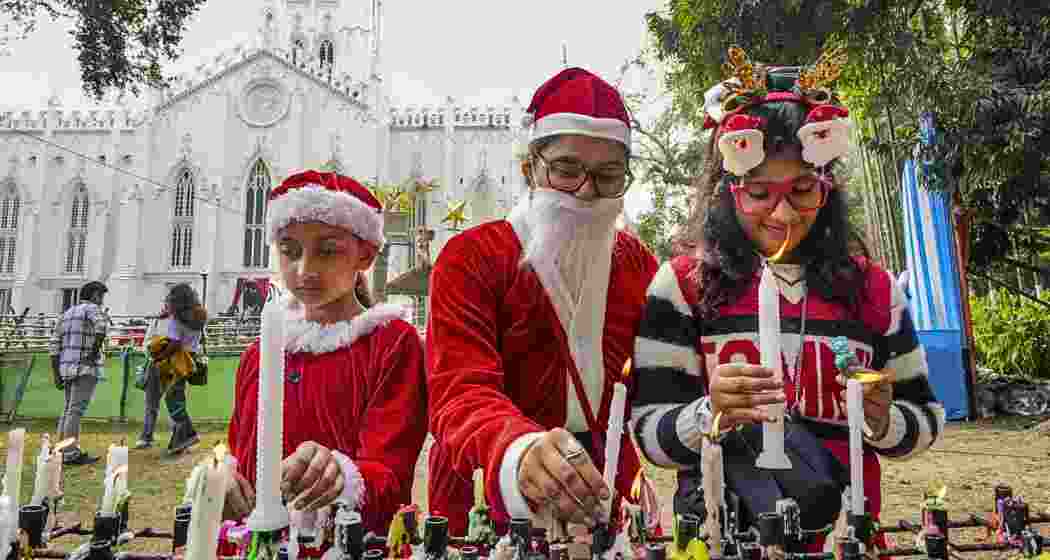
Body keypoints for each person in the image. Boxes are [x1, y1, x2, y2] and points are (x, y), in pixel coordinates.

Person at [631, 49, 945, 548]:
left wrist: (883, 419)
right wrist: (708, 411)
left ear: (828, 189)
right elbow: (648, 434)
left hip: (846, 539)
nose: (783, 213)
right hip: (722, 538)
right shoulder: (681, 288)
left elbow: (926, 420)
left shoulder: (875, 290)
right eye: (758, 193)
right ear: (726, 191)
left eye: (802, 189)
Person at [426, 67, 659, 535]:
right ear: (529, 167)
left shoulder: (639, 266)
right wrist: (518, 452)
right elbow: (459, 392)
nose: (587, 191)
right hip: (487, 488)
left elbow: (661, 390)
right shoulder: (471, 257)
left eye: (608, 174)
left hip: (607, 490)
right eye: (567, 169)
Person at [224, 170, 427, 537]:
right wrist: (223, 482)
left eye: (328, 250)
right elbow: (241, 450)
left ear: (364, 255)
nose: (305, 270)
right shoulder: (261, 353)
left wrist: (341, 475)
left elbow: (390, 472)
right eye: (290, 251)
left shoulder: (391, 344)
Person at [135, 283, 206, 454]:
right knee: (176, 398)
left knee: (172, 401)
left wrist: (159, 356)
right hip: (189, 361)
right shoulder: (198, 316)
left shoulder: (176, 319)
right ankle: (183, 437)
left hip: (173, 362)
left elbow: (175, 342)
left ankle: (186, 436)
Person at [49, 280, 110, 465]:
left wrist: (56, 374)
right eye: (101, 296)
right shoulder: (92, 309)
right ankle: (70, 453)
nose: (101, 301)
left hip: (66, 367)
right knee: (75, 411)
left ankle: (60, 450)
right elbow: (101, 327)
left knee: (68, 410)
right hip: (85, 367)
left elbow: (54, 345)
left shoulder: (66, 313)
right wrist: (92, 354)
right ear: (95, 295)